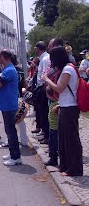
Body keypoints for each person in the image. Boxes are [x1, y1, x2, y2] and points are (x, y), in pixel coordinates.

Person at [42, 47, 83, 176]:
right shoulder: (65, 69)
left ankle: (75, 168)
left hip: (70, 108)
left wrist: (47, 80)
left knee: (71, 140)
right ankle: (64, 165)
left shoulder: (68, 69)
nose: (51, 62)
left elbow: (60, 88)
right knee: (63, 139)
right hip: (65, 107)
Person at [0, 50, 21, 166]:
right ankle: (12, 153)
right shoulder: (7, 69)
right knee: (9, 130)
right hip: (7, 104)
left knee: (11, 131)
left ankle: (16, 157)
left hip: (9, 104)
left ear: (4, 57)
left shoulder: (9, 70)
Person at [33, 41, 50, 143]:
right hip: (41, 87)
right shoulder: (43, 58)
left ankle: (47, 136)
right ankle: (45, 134)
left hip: (43, 88)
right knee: (41, 113)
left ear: (38, 49)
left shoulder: (45, 59)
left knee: (44, 113)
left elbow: (45, 76)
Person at [44, 85, 59, 166]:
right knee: (53, 144)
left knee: (53, 145)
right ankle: (54, 157)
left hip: (55, 129)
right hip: (53, 127)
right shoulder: (54, 103)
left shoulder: (56, 104)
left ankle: (53, 160)